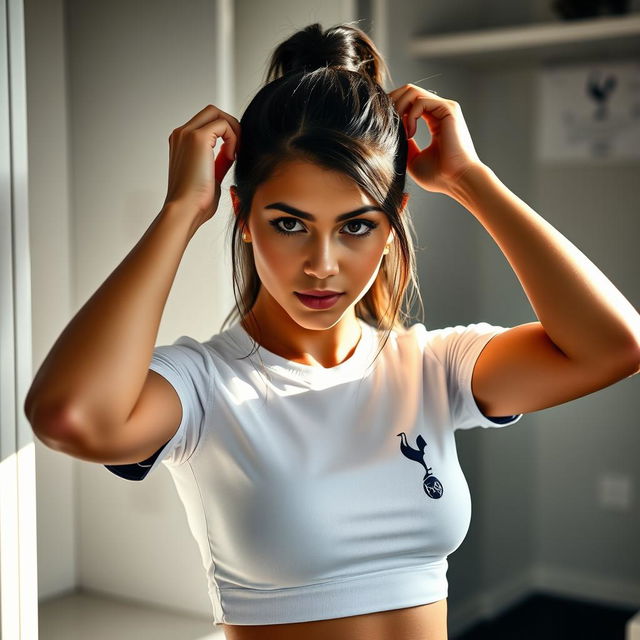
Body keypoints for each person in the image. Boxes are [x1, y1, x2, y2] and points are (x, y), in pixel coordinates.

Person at [25, 21, 639, 640]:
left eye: (356, 226)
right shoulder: (205, 387)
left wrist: (468, 180)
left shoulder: (432, 366)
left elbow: (615, 347)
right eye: (290, 225)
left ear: (394, 219)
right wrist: (181, 211)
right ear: (242, 216)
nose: (322, 264)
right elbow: (71, 417)